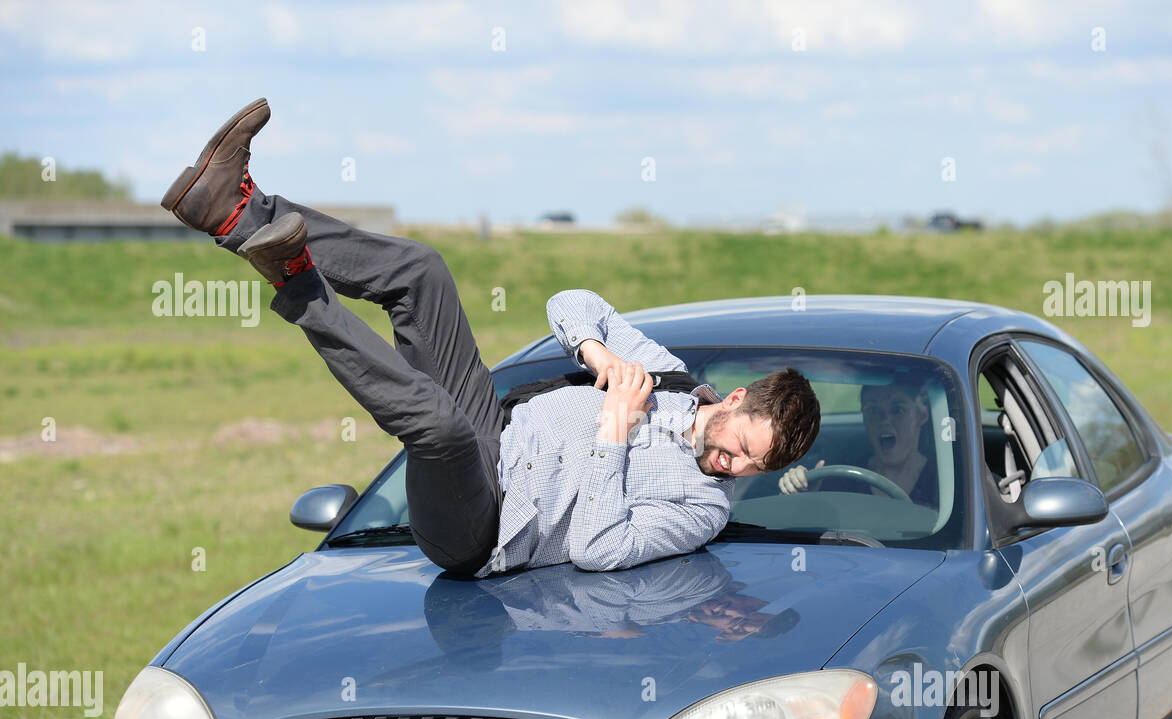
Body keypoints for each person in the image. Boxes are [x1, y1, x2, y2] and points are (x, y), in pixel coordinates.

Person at [161, 99, 821, 579]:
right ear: (733, 400)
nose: (732, 469)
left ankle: (296, 279)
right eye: (739, 448)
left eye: (751, 468)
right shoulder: (669, 377)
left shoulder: (700, 508)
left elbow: (599, 548)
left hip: (486, 523)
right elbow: (571, 302)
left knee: (437, 428)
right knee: (422, 273)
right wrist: (597, 353)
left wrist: (614, 432)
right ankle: (235, 209)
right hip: (495, 428)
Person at [778, 375, 938, 509]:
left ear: (921, 416)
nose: (885, 420)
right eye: (873, 410)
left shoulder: (943, 483)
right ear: (864, 418)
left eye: (898, 409)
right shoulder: (844, 478)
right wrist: (801, 490)